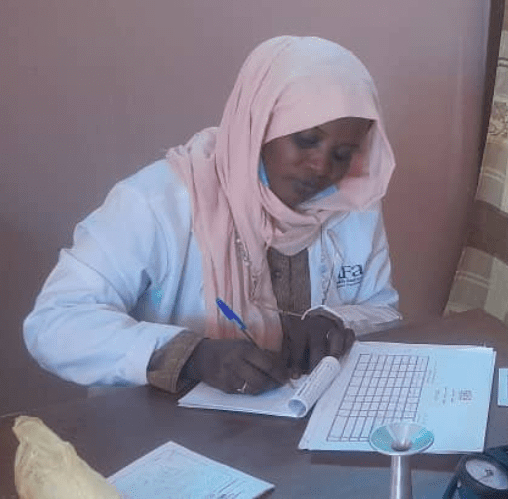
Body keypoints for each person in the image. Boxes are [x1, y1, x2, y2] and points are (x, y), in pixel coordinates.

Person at [24, 36, 400, 396]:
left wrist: (337, 323)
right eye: (305, 140)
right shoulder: (158, 203)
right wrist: (187, 355)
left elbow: (383, 309)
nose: (321, 167)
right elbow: (55, 324)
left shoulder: (351, 205)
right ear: (259, 125)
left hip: (295, 427)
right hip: (161, 432)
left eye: (342, 153)